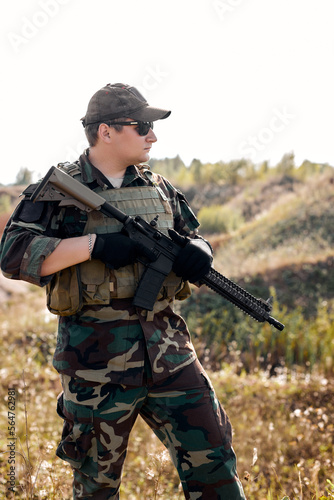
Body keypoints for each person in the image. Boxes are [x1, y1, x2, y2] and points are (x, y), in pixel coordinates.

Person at [0, 83, 246, 500]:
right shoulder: (59, 189)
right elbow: (12, 254)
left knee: (217, 469)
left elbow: (192, 234)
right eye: (143, 126)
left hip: (172, 356)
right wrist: (95, 246)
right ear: (106, 131)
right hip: (96, 366)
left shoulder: (160, 187)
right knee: (96, 485)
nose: (153, 136)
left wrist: (199, 252)